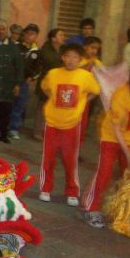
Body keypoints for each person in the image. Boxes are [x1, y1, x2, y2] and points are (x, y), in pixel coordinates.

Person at [38, 43, 100, 206]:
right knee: (48, 158)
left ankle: (72, 191)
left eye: (75, 57)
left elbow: (95, 91)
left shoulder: (85, 76)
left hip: (72, 124)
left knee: (70, 159)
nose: (71, 60)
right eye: (68, 56)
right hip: (52, 122)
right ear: (63, 57)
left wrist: (83, 102)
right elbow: (45, 88)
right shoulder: (53, 74)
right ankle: (45, 189)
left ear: (80, 59)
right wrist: (52, 99)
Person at [82, 79, 130, 228]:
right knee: (104, 171)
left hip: (129, 140)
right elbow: (116, 129)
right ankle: (91, 208)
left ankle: (120, 211)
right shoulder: (121, 95)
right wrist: (128, 154)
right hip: (111, 137)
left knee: (126, 176)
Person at [0, 20, 24, 143]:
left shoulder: (13, 47)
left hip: (8, 86)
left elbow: (19, 67)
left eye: (3, 29)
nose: (0, 31)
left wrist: (18, 84)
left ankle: (3, 135)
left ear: (6, 31)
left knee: (6, 112)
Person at [33, 28, 66, 140]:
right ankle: (38, 131)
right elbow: (51, 62)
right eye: (60, 35)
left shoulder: (62, 50)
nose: (63, 37)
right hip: (47, 82)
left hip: (60, 82)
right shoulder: (46, 50)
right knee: (42, 107)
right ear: (53, 38)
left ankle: (50, 130)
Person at [9, 23, 40, 139]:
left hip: (24, 83)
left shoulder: (36, 51)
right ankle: (1, 127)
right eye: (27, 33)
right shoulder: (16, 47)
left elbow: (38, 69)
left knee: (19, 106)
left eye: (32, 34)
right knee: (7, 104)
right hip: (11, 81)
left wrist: (31, 78)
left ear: (36, 36)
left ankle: (14, 128)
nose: (29, 36)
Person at [79, 36, 103, 143]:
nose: (94, 51)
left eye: (96, 49)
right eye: (92, 47)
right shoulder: (78, 59)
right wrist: (90, 63)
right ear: (85, 47)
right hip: (76, 96)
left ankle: (76, 150)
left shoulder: (97, 62)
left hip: (89, 98)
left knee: (83, 124)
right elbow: (77, 72)